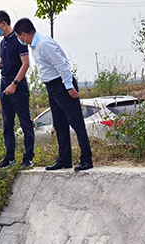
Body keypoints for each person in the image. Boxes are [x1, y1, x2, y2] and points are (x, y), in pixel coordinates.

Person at [13, 18, 93, 172]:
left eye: (18, 37)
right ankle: (64, 159)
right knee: (59, 123)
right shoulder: (34, 46)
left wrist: (69, 87)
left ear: (23, 35)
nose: (19, 40)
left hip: (62, 85)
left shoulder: (44, 43)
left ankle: (86, 158)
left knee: (76, 122)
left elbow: (62, 65)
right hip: (52, 86)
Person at [0, 10, 35, 168]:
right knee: (7, 124)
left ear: (3, 23)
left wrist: (15, 84)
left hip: (17, 85)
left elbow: (26, 64)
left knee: (25, 122)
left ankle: (28, 157)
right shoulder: (2, 43)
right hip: (4, 84)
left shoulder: (18, 40)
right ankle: (10, 157)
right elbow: (4, 62)